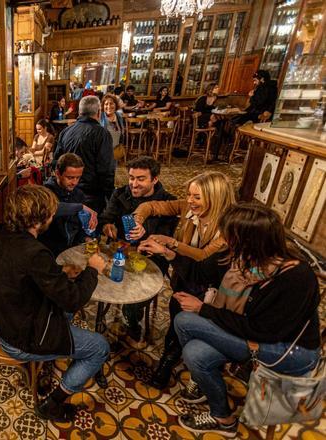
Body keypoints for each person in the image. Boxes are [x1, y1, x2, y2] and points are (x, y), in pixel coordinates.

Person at [170, 204, 321, 437]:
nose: (224, 240)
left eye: (229, 235)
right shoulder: (243, 257)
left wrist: (203, 309)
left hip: (286, 349)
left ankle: (222, 418)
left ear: (249, 240)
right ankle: (212, 394)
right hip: (251, 332)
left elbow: (263, 331)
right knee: (194, 354)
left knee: (184, 322)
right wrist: (170, 253)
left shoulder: (295, 277)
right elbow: (201, 272)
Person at [0, 185, 109, 422]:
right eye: (51, 213)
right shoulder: (35, 252)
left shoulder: (2, 232)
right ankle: (52, 404)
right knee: (100, 348)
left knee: (65, 314)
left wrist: (59, 272)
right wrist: (92, 270)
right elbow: (73, 300)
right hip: (20, 338)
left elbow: (23, 273)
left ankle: (55, 358)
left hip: (5, 319)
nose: (53, 217)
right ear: (38, 219)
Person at [132, 171, 236, 389]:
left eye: (196, 197)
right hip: (183, 275)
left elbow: (203, 258)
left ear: (214, 197)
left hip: (208, 286)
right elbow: (151, 206)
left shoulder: (227, 227)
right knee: (175, 311)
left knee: (191, 322)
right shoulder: (186, 208)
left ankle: (173, 361)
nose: (190, 201)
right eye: (189, 195)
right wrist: (139, 221)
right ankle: (176, 348)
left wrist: (170, 244)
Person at [99, 156, 178, 343]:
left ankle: (132, 317)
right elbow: (105, 219)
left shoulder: (169, 202)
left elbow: (166, 236)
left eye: (141, 179)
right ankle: (105, 313)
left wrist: (145, 233)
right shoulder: (119, 194)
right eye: (131, 178)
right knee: (100, 280)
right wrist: (107, 227)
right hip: (121, 252)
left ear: (155, 179)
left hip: (151, 258)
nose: (134, 184)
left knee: (137, 296)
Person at [53, 95, 115, 214]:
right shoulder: (102, 134)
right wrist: (111, 197)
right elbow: (106, 169)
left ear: (80, 112)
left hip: (67, 192)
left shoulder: (66, 131)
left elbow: (56, 163)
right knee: (90, 227)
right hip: (92, 194)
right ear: (98, 112)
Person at [39, 153, 97, 256]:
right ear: (57, 173)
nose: (74, 182)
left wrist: (86, 237)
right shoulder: (45, 192)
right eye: (70, 178)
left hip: (72, 249)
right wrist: (80, 207)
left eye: (78, 178)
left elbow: (79, 226)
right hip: (49, 251)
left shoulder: (79, 194)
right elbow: (51, 208)